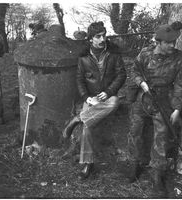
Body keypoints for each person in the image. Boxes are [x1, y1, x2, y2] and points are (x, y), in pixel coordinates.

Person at [62, 21, 126, 180]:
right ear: (90, 39)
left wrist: (109, 92)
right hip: (91, 98)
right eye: (98, 36)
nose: (102, 39)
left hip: (107, 97)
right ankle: (88, 163)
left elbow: (121, 75)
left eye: (104, 35)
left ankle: (77, 119)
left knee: (115, 102)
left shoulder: (114, 53)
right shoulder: (83, 57)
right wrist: (86, 98)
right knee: (88, 126)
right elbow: (79, 80)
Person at [128, 21, 182, 196]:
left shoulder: (179, 58)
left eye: (174, 42)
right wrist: (141, 83)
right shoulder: (145, 53)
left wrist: (177, 108)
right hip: (142, 98)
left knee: (162, 136)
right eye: (168, 43)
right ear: (158, 42)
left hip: (163, 100)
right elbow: (134, 71)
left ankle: (156, 175)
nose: (172, 46)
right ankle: (135, 163)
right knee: (135, 130)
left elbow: (179, 85)